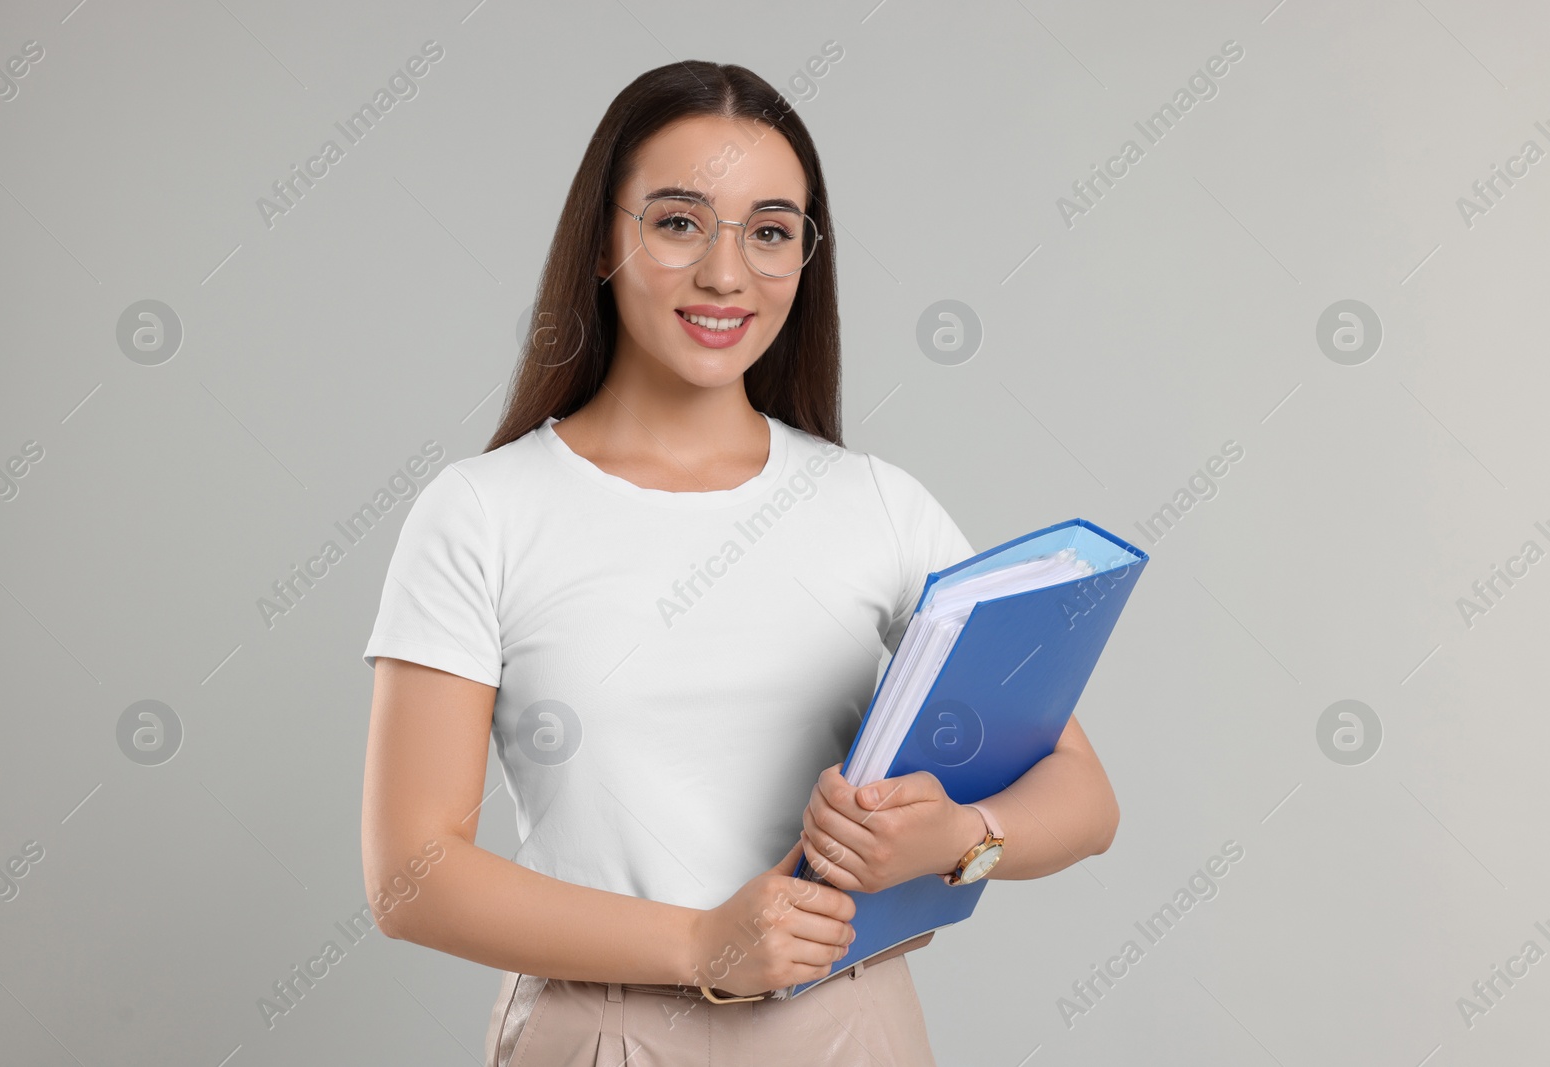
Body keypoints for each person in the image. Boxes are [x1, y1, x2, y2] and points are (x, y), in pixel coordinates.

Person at [359, 59, 1120, 1066]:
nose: (727, 274)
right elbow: (410, 874)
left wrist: (958, 837)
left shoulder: (877, 506)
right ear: (602, 241)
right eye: (678, 222)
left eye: (769, 232)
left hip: (848, 1025)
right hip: (605, 1029)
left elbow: (1084, 794)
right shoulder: (482, 511)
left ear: (804, 257)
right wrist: (698, 942)